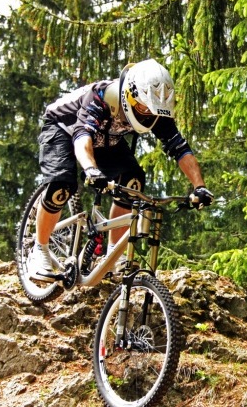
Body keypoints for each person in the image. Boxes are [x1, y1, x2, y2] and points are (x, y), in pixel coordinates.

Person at [27, 58, 213, 282]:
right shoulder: (102, 98)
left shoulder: (156, 112)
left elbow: (180, 149)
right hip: (63, 129)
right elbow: (82, 137)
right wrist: (91, 169)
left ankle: (114, 255)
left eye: (154, 110)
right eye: (144, 107)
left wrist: (199, 187)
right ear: (130, 96)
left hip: (105, 139)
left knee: (132, 182)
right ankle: (40, 249)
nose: (149, 115)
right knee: (62, 185)